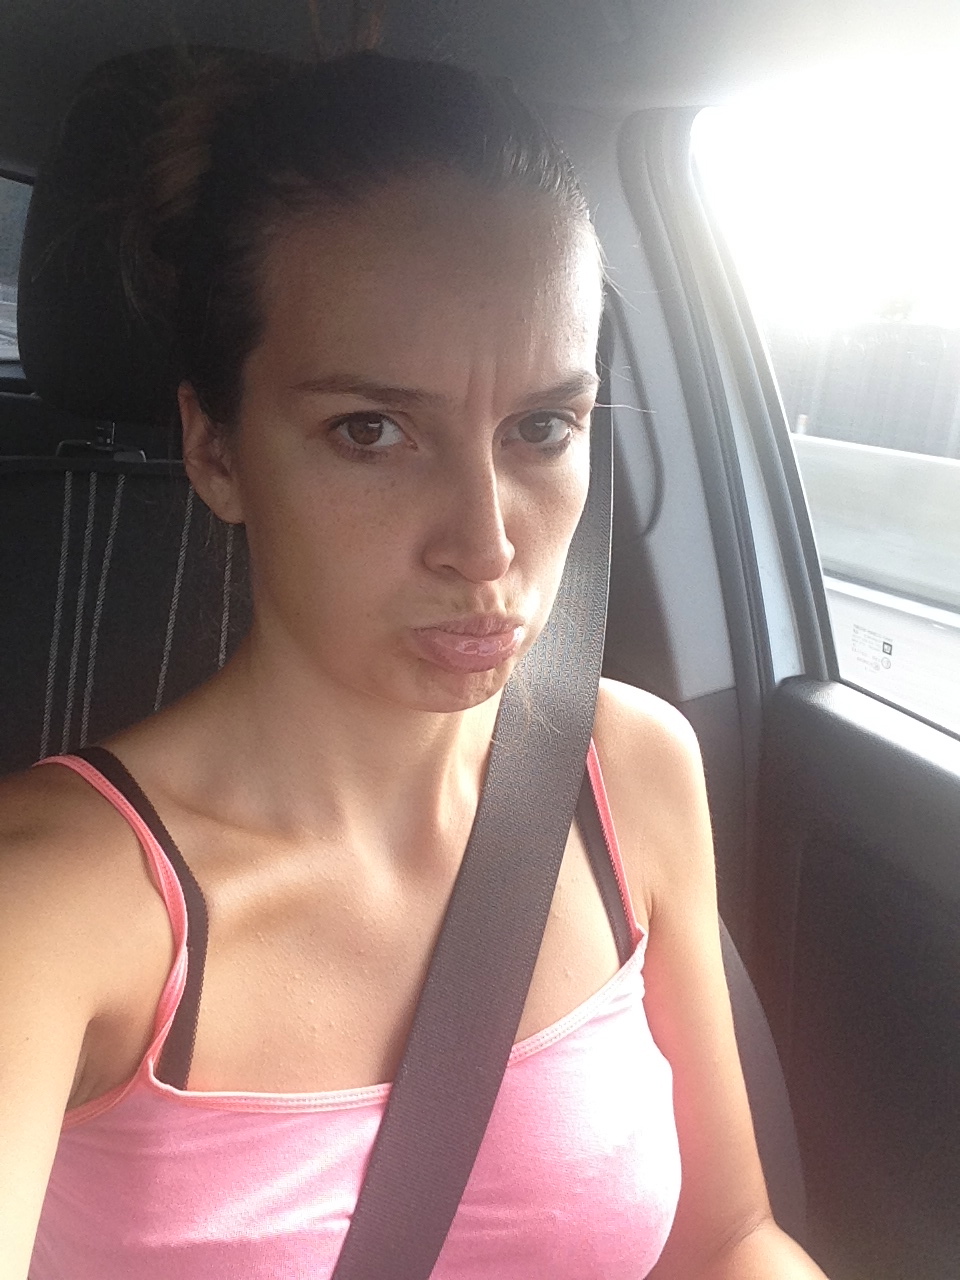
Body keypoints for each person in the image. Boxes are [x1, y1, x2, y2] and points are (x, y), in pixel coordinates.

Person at [0, 50, 828, 1279]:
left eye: (542, 426)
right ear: (216, 449)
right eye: (372, 430)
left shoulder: (631, 771)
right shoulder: (52, 904)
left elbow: (728, 1238)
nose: (485, 545)